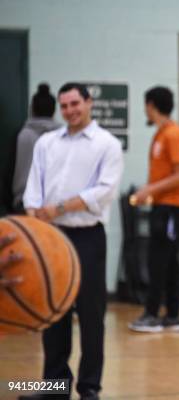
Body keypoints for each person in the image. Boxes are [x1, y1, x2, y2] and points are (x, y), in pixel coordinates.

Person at [20, 82, 124, 400]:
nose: (70, 111)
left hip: (88, 236)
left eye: (75, 104)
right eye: (64, 106)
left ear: (89, 102)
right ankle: (54, 387)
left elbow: (103, 190)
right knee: (53, 311)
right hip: (50, 236)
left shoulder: (107, 144)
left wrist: (60, 207)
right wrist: (34, 212)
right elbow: (33, 185)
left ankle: (89, 387)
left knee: (91, 315)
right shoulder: (46, 143)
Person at [128, 86, 179, 333]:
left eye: (146, 105)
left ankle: (152, 314)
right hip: (164, 205)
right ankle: (174, 315)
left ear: (151, 105)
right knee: (168, 262)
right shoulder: (162, 134)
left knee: (159, 261)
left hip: (173, 207)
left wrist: (149, 190)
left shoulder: (173, 134)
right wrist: (150, 191)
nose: (145, 109)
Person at [12, 83, 62, 213]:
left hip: (23, 203)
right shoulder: (64, 136)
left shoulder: (22, 135)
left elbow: (10, 171)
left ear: (32, 109)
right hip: (55, 206)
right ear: (54, 111)